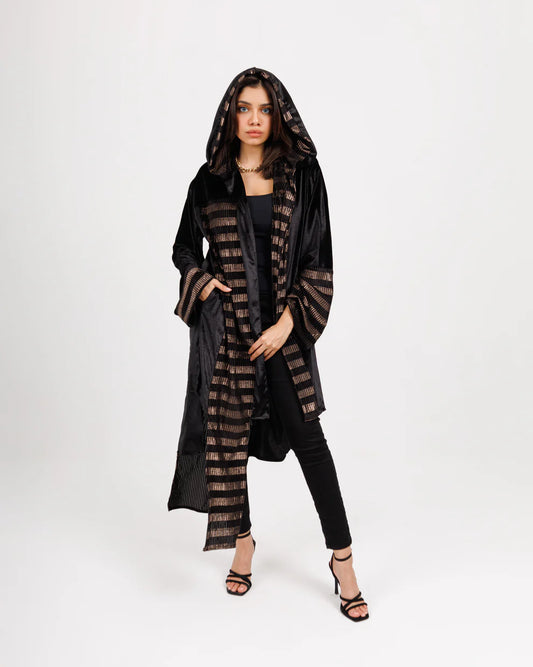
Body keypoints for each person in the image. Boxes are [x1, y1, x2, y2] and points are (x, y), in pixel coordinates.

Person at [167, 67, 369, 622]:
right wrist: (204, 282)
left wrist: (288, 323)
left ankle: (343, 560)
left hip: (284, 330)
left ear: (278, 115)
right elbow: (184, 249)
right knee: (226, 441)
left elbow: (320, 258)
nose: (254, 119)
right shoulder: (209, 180)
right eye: (244, 108)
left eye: (264, 109)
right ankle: (243, 543)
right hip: (229, 332)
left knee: (310, 440)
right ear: (230, 115)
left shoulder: (303, 175)